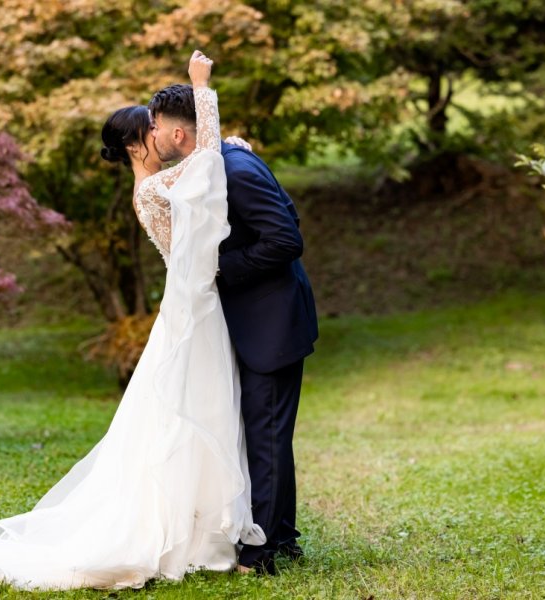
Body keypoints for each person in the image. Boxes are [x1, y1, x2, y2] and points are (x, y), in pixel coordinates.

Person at [0, 50, 265, 591]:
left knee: (205, 412)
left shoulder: (170, 180)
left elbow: (208, 163)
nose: (159, 131)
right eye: (150, 129)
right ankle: (180, 533)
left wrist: (228, 141)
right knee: (188, 413)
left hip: (200, 307)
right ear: (134, 145)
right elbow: (210, 164)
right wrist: (203, 89)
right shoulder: (150, 189)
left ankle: (202, 530)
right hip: (192, 312)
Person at [149, 75, 318, 576]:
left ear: (179, 135)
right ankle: (282, 537)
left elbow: (287, 238)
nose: (153, 135)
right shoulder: (216, 165)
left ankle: (262, 552)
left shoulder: (236, 169)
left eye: (156, 127)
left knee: (265, 437)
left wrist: (219, 268)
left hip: (272, 323)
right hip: (258, 321)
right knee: (267, 437)